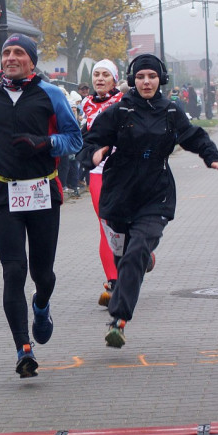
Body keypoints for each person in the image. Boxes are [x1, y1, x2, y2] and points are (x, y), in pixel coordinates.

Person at [77, 54, 218, 349]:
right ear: (132, 80)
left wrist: (212, 159)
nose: (146, 82)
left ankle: (119, 321)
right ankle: (143, 257)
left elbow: (194, 136)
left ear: (160, 79)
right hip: (119, 193)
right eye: (140, 77)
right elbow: (90, 140)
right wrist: (94, 154)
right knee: (125, 258)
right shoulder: (118, 111)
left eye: (151, 76)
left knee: (135, 250)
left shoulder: (171, 111)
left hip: (155, 194)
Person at [0, 34, 83, 378]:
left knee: (41, 274)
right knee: (13, 270)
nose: (11, 57)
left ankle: (41, 306)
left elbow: (75, 139)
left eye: (18, 53)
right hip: (3, 192)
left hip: (43, 190)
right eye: (6, 53)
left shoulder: (51, 93)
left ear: (31, 60)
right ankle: (22, 348)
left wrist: (44, 143)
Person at [81, 59, 124, 307]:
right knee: (105, 224)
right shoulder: (86, 103)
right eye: (96, 74)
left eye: (105, 74)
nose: (99, 78)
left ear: (114, 79)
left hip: (123, 171)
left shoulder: (124, 102)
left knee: (126, 222)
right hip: (98, 172)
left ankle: (142, 252)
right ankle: (114, 281)